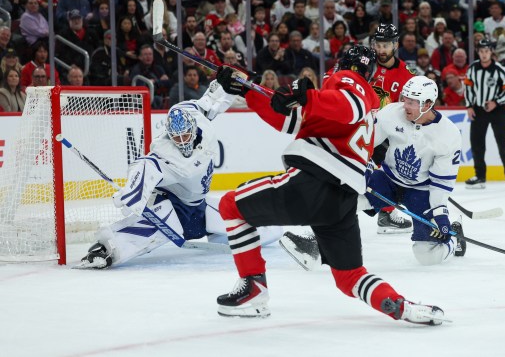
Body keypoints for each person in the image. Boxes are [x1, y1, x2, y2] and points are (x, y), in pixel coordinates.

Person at [213, 46, 446, 324]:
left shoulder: (350, 81)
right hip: (342, 201)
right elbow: (290, 119)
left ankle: (253, 290)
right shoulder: (352, 104)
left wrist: (309, 96)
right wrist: (248, 91)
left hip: (314, 181)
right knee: (349, 276)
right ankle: (403, 306)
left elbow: (348, 104)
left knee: (231, 206)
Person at [78, 81, 283, 269]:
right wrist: (133, 193)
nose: (183, 142)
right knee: (156, 229)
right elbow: (146, 166)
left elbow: (208, 102)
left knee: (241, 220)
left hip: (198, 206)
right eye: (177, 137)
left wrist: (225, 83)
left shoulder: (199, 122)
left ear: (193, 129)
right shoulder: (165, 153)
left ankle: (275, 230)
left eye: (186, 135)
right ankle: (106, 250)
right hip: (173, 204)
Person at [282, 76, 465, 267]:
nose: (405, 105)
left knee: (427, 256)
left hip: (421, 191)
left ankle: (454, 239)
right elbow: (365, 144)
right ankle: (312, 242)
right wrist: (364, 166)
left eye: (412, 102)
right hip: (388, 179)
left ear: (428, 104)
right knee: (347, 202)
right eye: (405, 99)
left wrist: (440, 213)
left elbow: (441, 182)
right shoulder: (392, 113)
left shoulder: (448, 134)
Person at [464, 39, 505, 190]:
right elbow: (468, 88)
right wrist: (469, 106)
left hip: (497, 111)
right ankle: (480, 177)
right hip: (479, 110)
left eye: (487, 51)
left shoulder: (500, 70)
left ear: (491, 52)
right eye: (481, 51)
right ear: (478, 52)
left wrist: (497, 102)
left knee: (503, 143)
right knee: (477, 144)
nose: (484, 54)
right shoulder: (473, 68)